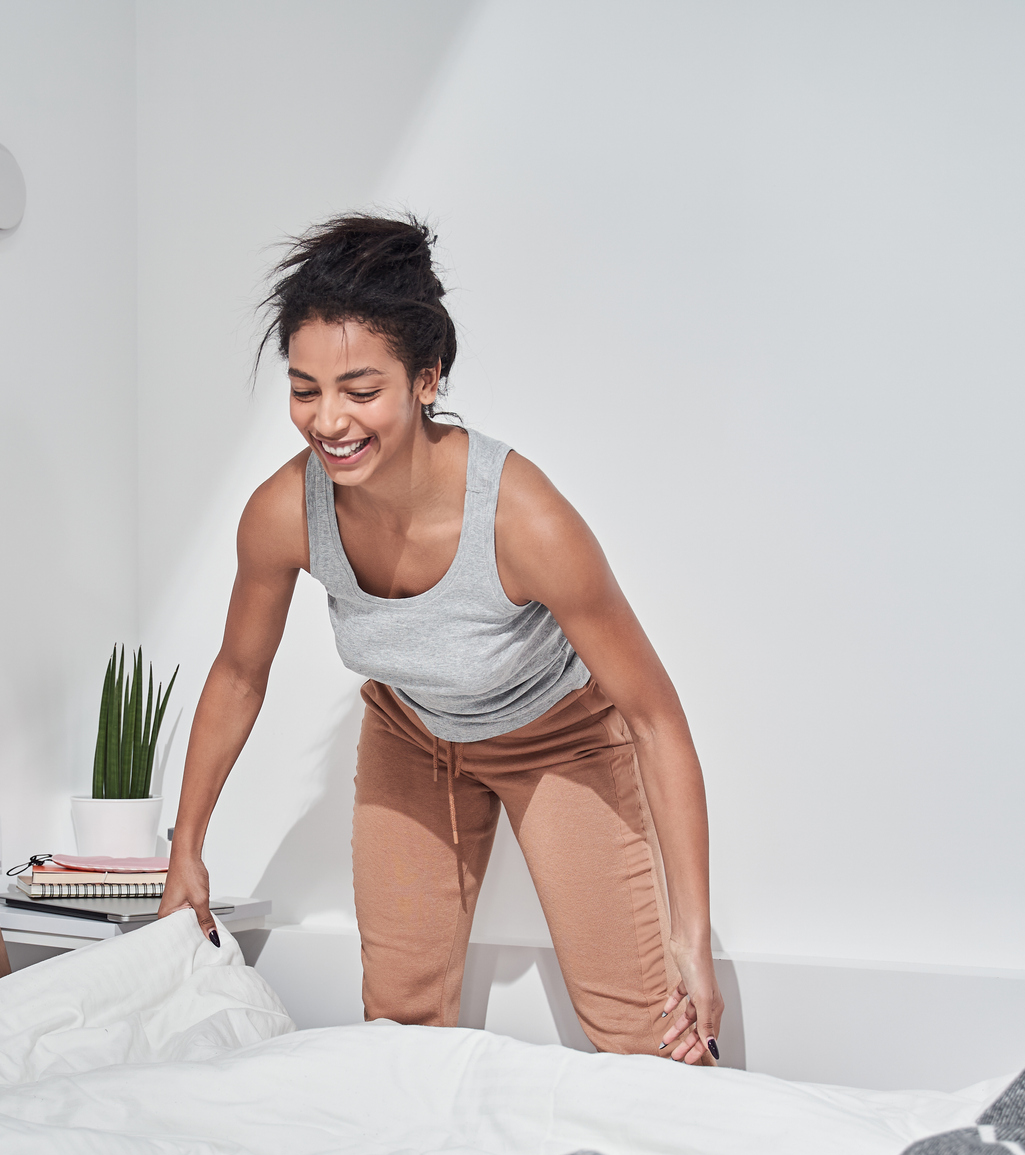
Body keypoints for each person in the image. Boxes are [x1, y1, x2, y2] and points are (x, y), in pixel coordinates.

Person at [158, 213, 723, 1065]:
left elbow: (653, 719)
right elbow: (239, 674)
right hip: (412, 739)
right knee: (399, 1026)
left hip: (557, 742)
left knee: (650, 1039)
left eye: (360, 388)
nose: (328, 420)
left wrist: (693, 932)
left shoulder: (524, 519)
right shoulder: (284, 512)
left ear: (426, 379)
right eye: (304, 388)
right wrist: (185, 853)